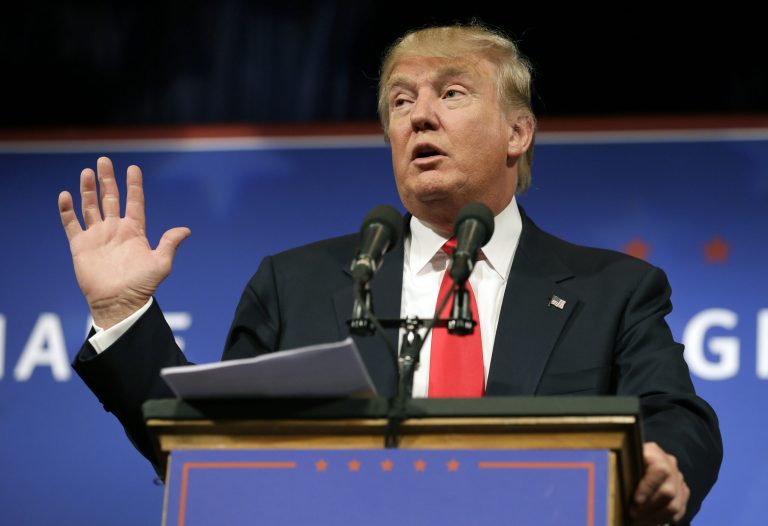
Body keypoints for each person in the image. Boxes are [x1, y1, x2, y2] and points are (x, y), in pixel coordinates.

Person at [59, 23, 721, 525]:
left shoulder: (612, 290)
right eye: (401, 102)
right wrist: (124, 316)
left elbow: (677, 414)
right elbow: (209, 452)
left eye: (452, 93)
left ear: (519, 132)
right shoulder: (297, 285)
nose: (419, 116)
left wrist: (662, 463)